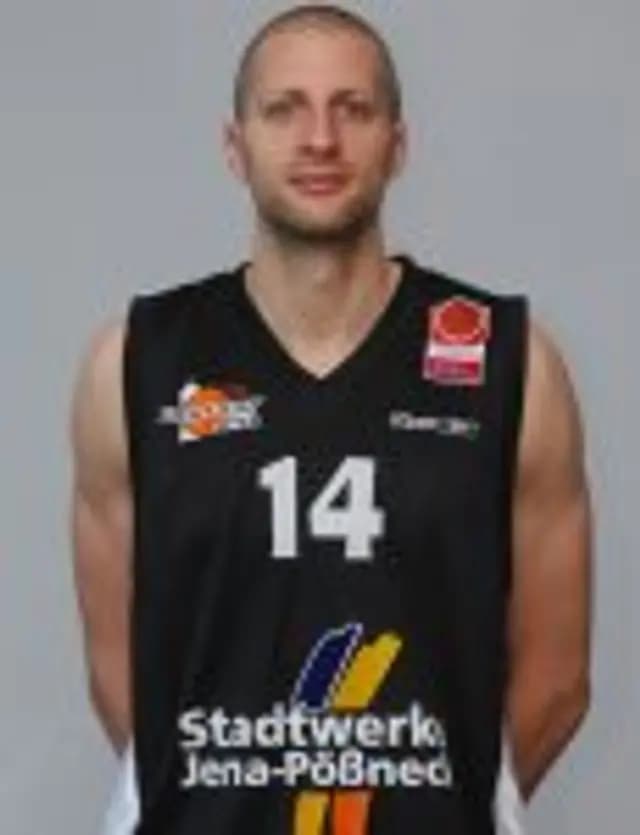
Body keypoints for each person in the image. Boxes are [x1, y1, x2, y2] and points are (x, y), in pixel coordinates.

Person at [70, 5, 592, 834]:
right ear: (235, 146)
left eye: (353, 109)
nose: (320, 139)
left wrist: (428, 805)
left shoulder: (509, 359)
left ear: (397, 143)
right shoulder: (136, 360)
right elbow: (117, 669)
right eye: (284, 110)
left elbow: (558, 678)